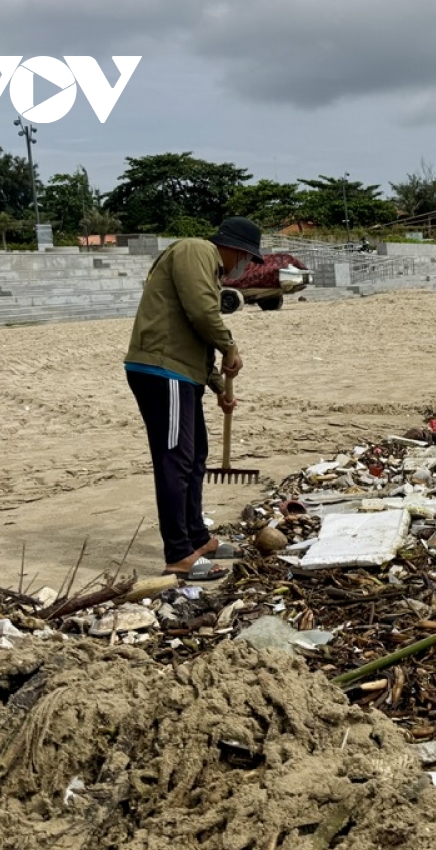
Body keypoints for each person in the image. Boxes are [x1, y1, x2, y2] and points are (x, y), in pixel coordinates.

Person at [123, 217, 263, 580]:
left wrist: (217, 386)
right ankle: (179, 554)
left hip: (182, 374)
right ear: (234, 249)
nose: (243, 267)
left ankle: (197, 538)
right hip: (161, 370)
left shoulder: (207, 268)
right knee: (176, 460)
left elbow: (195, 331)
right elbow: (202, 312)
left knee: (195, 456)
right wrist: (230, 345)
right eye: (246, 258)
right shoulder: (196, 250)